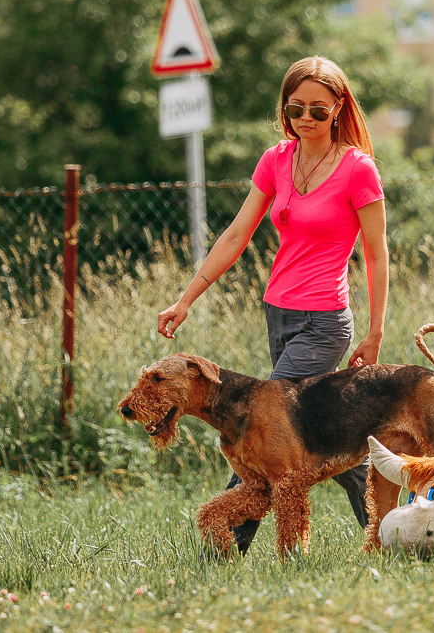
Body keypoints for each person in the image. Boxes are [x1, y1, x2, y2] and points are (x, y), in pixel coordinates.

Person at [156, 55, 389, 553]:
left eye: (319, 111)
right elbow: (237, 234)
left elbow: (375, 253)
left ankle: (222, 547)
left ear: (339, 109)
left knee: (263, 431)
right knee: (327, 441)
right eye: (295, 108)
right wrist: (186, 299)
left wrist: (375, 331)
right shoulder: (276, 159)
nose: (306, 119)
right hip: (278, 314)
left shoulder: (357, 169)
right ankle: (394, 530)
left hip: (325, 322)